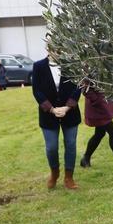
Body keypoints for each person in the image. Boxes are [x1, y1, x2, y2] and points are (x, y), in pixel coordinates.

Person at [31, 47, 81, 189]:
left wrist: (67, 107)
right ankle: (55, 173)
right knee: (51, 147)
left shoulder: (72, 65)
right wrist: (51, 109)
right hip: (48, 114)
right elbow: (36, 90)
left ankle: (69, 177)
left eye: (59, 47)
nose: (56, 50)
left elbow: (78, 86)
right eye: (53, 47)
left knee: (70, 145)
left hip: (70, 112)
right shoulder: (39, 66)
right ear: (48, 48)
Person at [78, 81, 113, 171]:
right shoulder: (88, 68)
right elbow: (84, 87)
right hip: (98, 107)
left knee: (99, 133)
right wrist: (97, 100)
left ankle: (85, 159)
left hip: (104, 103)